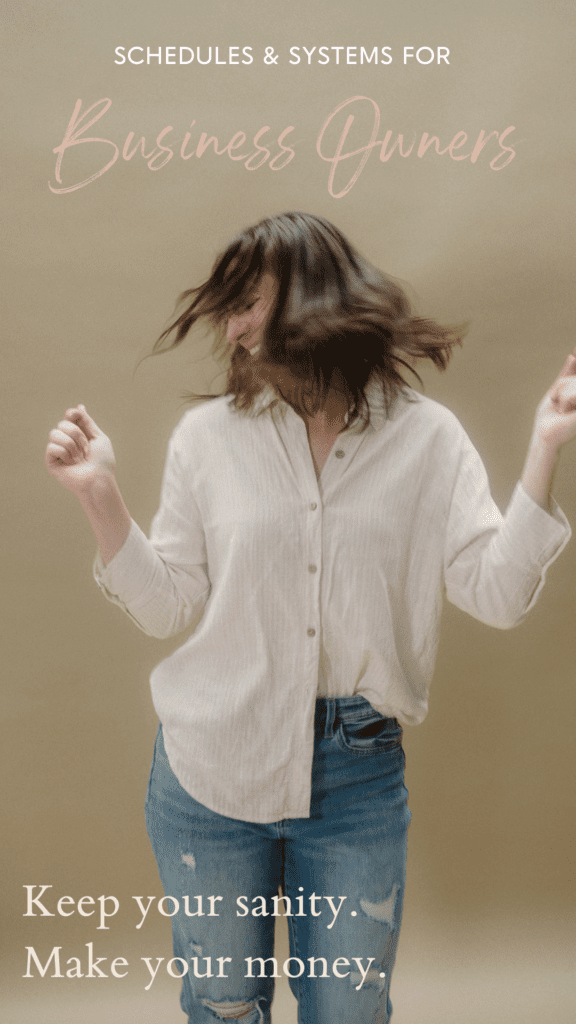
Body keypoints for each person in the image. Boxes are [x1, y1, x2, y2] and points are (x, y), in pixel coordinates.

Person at [45, 212, 574, 1024]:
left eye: (251, 302)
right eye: (228, 307)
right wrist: (100, 495)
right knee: (224, 1006)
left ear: (318, 300)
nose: (236, 327)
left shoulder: (426, 440)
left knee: (350, 1011)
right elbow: (167, 607)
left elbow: (496, 593)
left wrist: (546, 449)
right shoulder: (207, 439)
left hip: (358, 777)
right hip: (208, 774)